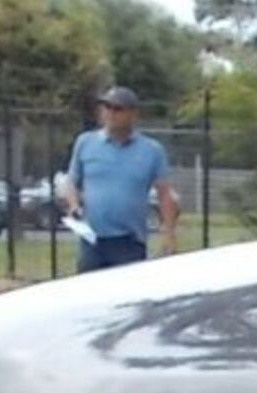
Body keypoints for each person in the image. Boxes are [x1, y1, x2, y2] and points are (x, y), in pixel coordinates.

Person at [58, 86, 181, 272]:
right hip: (93, 239)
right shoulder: (85, 142)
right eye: (106, 107)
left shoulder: (151, 150)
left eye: (118, 109)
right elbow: (71, 181)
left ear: (133, 114)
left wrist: (168, 234)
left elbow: (165, 195)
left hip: (129, 241)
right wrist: (74, 205)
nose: (110, 114)